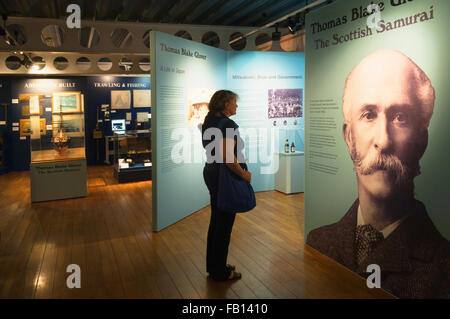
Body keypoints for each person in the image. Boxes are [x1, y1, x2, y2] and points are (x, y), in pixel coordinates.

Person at [306, 50, 450, 298]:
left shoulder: (443, 269)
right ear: (349, 137)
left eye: (400, 117)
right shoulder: (319, 241)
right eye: (368, 115)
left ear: (422, 140)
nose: (383, 141)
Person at [201, 90, 251, 281]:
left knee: (216, 221)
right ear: (225, 104)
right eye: (234, 102)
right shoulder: (228, 124)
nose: (236, 105)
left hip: (211, 172)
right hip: (225, 176)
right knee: (224, 225)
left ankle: (214, 267)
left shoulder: (209, 120)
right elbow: (229, 157)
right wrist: (244, 174)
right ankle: (221, 271)